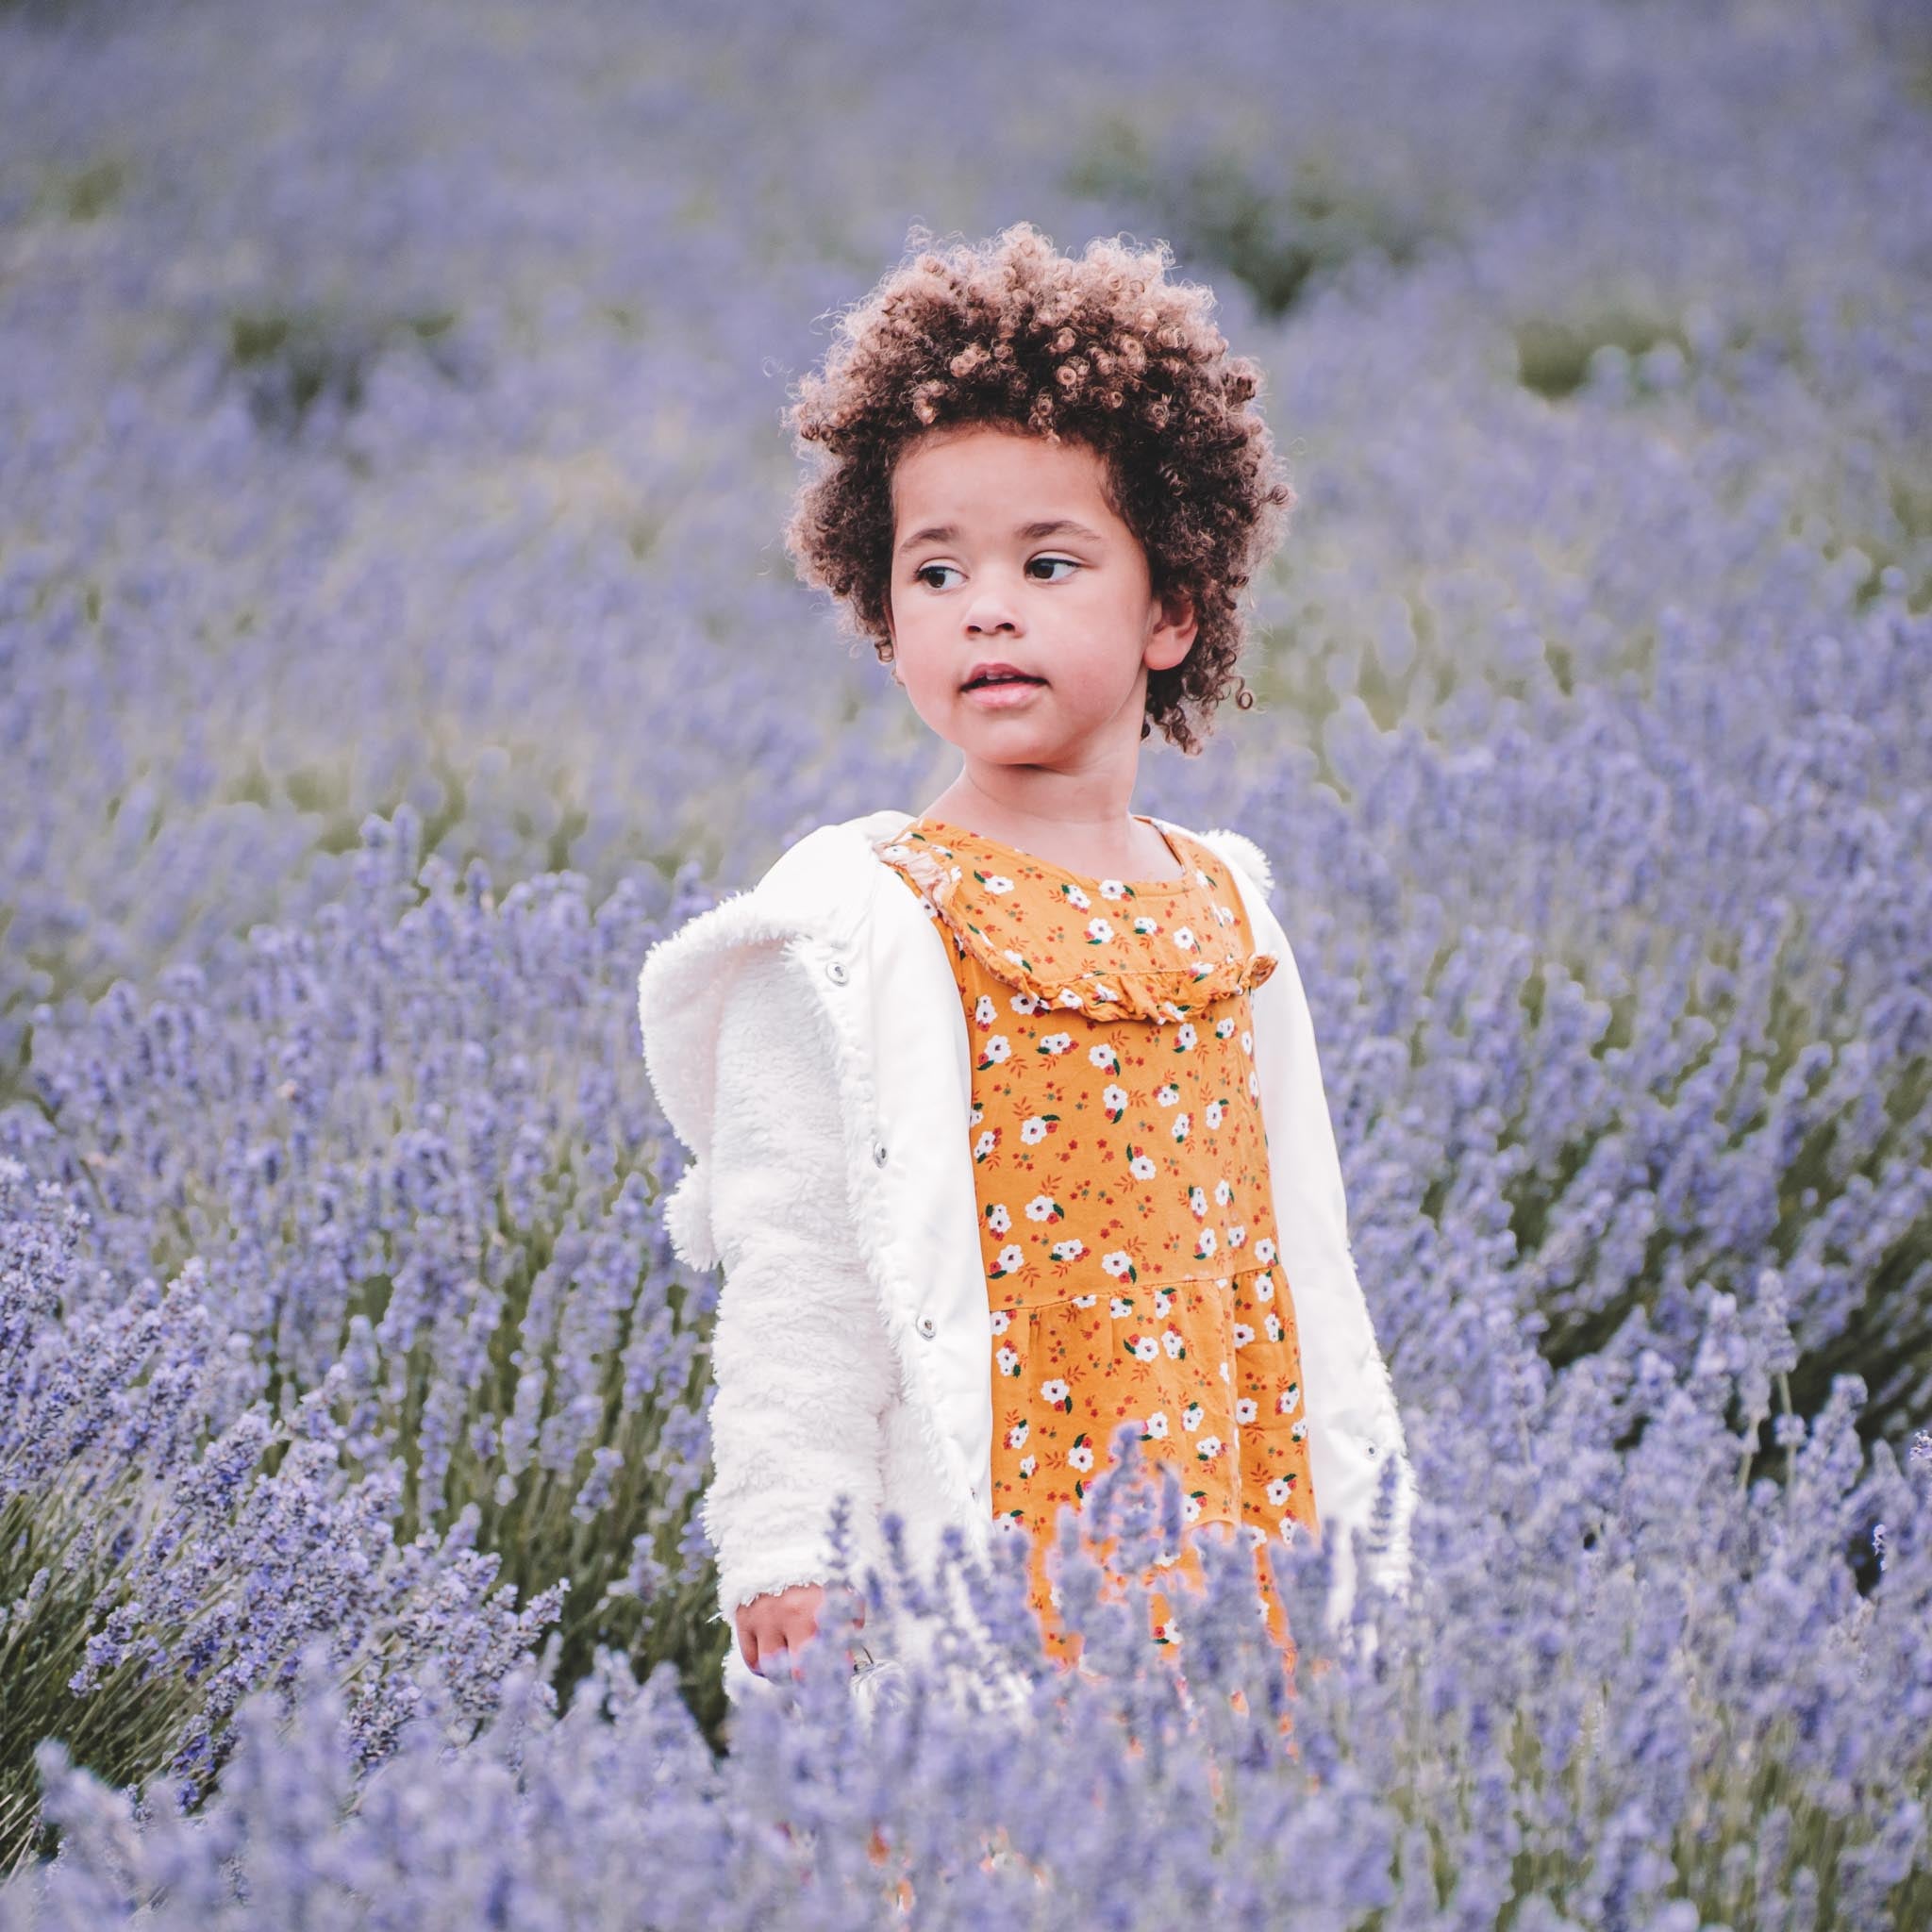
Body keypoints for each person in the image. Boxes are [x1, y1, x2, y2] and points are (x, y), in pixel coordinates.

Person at [636, 223, 1416, 1723]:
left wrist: (1352, 1523)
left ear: (1173, 609)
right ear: (883, 611)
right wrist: (787, 1544)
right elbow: (796, 1274)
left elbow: (1294, 1248)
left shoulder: (1228, 912)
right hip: (991, 1560)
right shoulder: (858, 926)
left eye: (1048, 563)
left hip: (1229, 1534)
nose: (985, 605)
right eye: (936, 570)